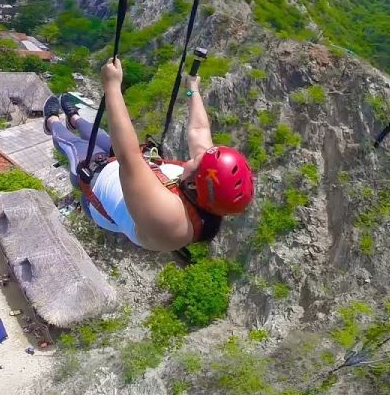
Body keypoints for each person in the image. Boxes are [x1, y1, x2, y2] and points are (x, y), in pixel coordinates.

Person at [44, 59, 254, 252]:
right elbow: (199, 130)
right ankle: (75, 118)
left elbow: (128, 157)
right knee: (101, 135)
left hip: (96, 187)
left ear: (192, 184)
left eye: (197, 160)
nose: (197, 155)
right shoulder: (206, 189)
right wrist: (192, 89)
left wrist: (112, 87)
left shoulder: (173, 222)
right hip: (134, 169)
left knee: (76, 145)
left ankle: (51, 121)